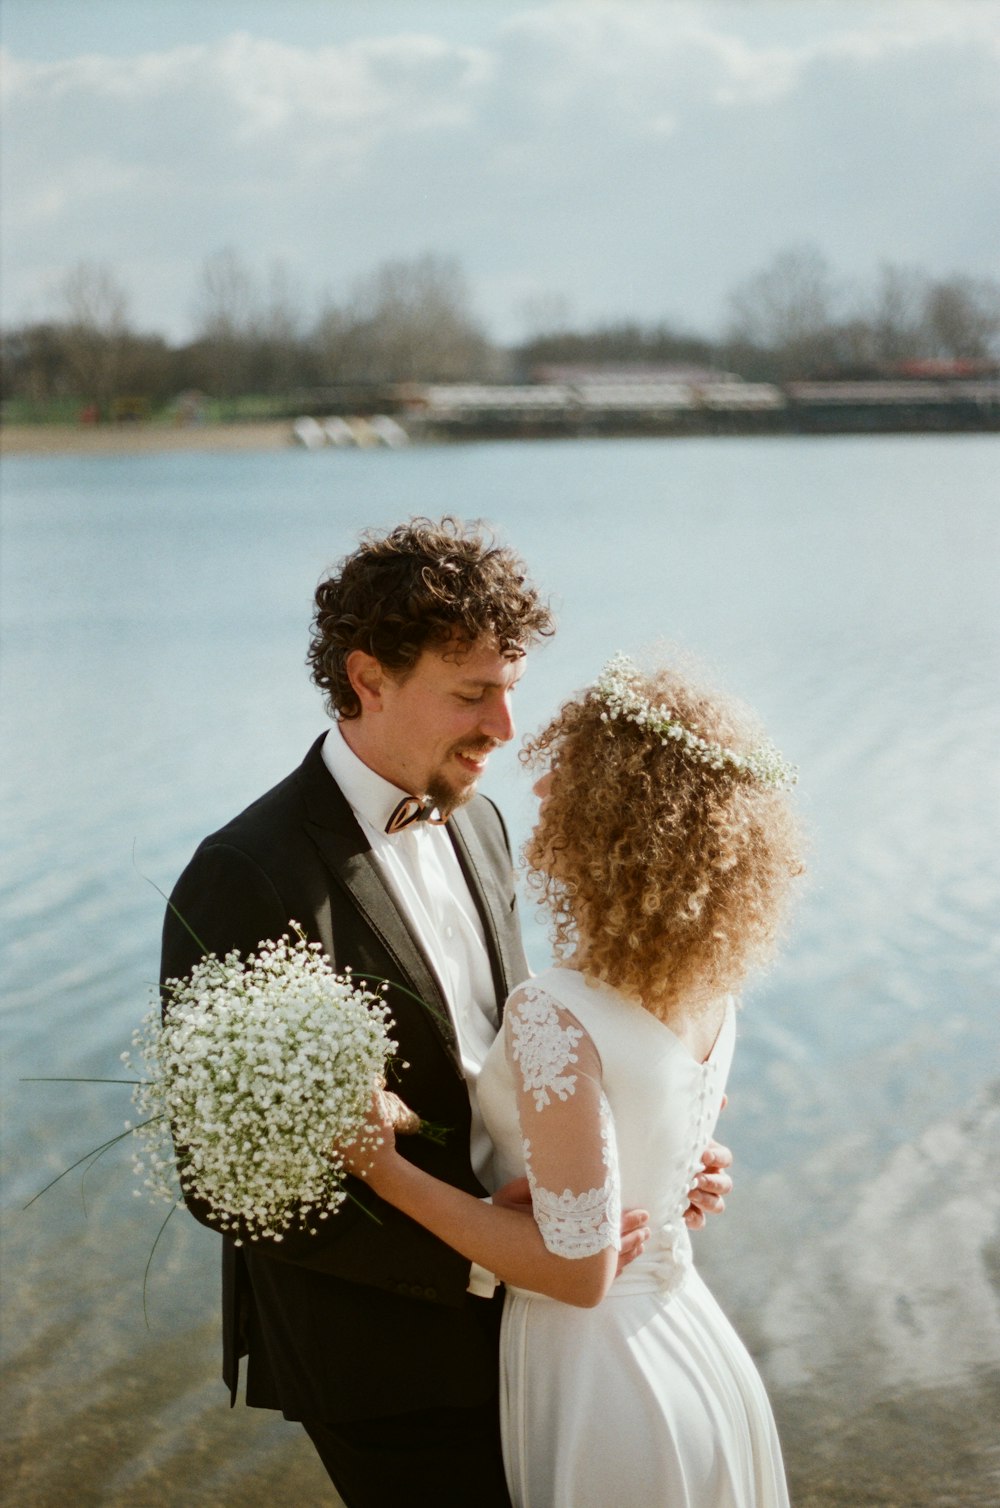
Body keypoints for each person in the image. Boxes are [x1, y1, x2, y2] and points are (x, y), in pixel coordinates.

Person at [161, 518, 733, 1507]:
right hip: (383, 1356)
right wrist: (475, 1260)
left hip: (542, 1319)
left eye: (509, 691)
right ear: (368, 677)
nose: (504, 730)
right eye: (472, 694)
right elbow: (224, 1182)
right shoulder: (243, 873)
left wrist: (636, 1157)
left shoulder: (482, 818)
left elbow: (507, 1058)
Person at [342, 649, 802, 1507]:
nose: (543, 791)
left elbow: (580, 1270)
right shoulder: (710, 991)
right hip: (691, 1341)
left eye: (570, 772)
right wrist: (670, 1180)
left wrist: (384, 1171)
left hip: (606, 1380)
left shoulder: (557, 1011)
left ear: (617, 815)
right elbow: (644, 1148)